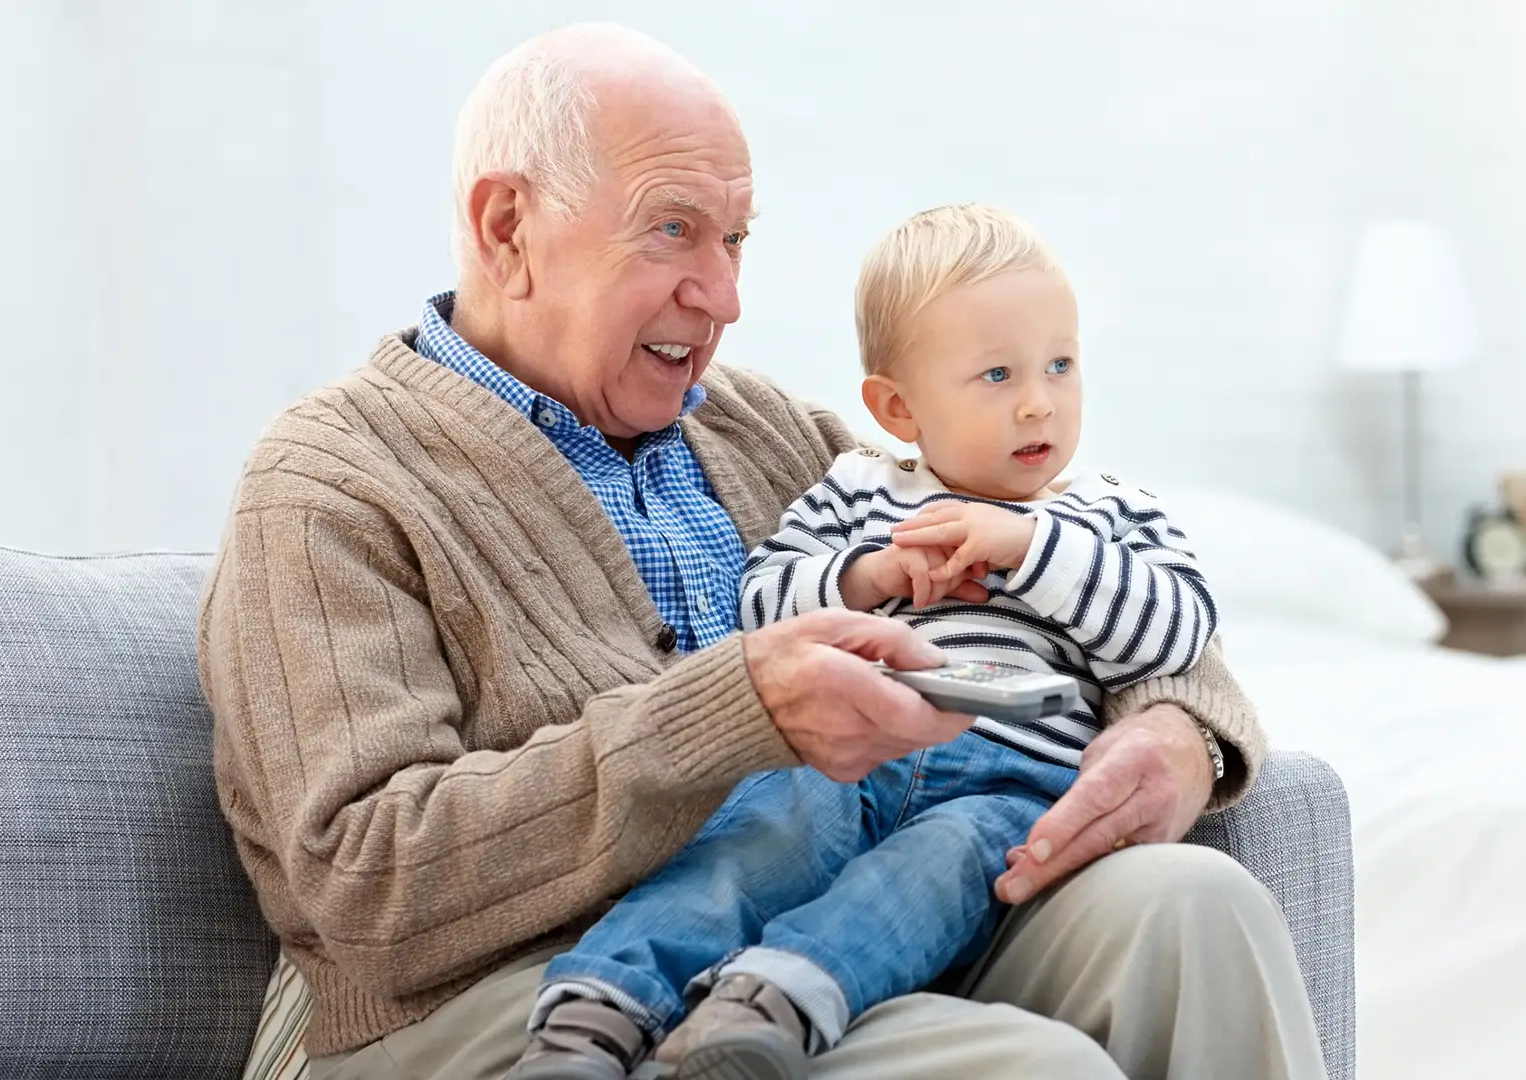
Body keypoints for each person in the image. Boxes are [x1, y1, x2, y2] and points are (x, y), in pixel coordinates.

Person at [198, 22, 1327, 1080]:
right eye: (674, 230)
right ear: (508, 229)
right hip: (519, 987)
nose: (724, 294)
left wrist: (1181, 727)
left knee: (1197, 909)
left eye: (735, 239)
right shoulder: (331, 484)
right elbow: (362, 888)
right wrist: (730, 712)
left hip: (847, 900)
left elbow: (1090, 577)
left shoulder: (773, 434)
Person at [513, 204, 1224, 1080]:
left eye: (1061, 365)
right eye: (997, 375)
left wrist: (1033, 549)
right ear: (899, 408)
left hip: (1009, 785)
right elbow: (762, 604)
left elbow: (1177, 634)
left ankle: (770, 1004)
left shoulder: (1109, 513)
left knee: (931, 877)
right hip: (849, 759)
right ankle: (595, 1011)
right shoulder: (860, 492)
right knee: (760, 835)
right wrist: (867, 579)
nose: (1040, 401)